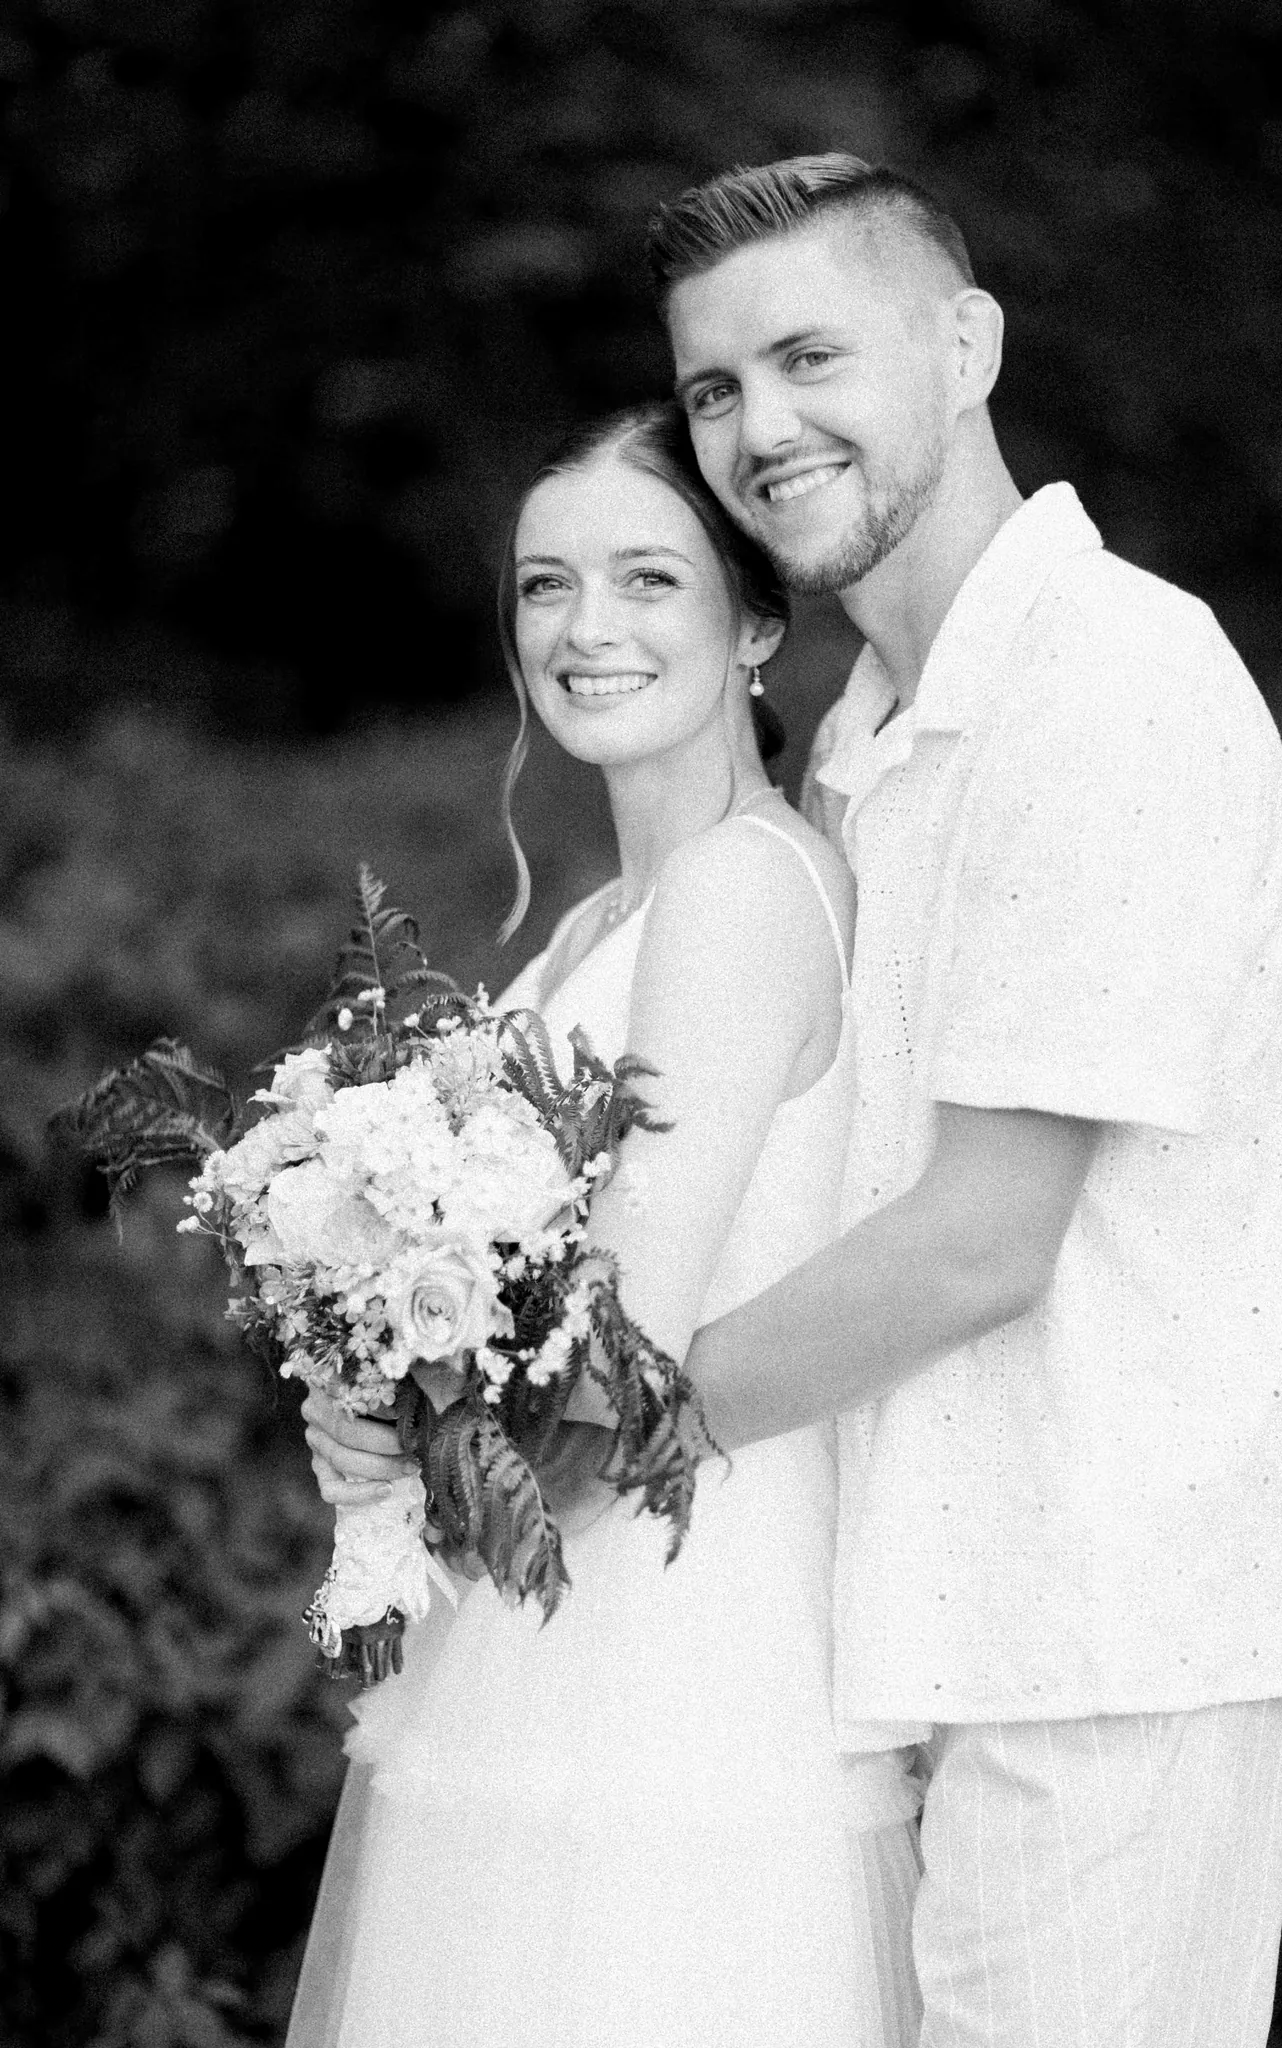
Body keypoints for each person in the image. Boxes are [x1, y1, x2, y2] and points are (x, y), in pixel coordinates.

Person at [644, 154, 1282, 2045]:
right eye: (715, 390)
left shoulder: (1105, 678)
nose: (760, 427)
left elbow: (981, 1242)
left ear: (964, 344)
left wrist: (604, 1421)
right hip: (934, 1613)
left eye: (810, 356)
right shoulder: (868, 749)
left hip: (1108, 1622)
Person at [286, 402, 924, 2048]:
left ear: (760, 622)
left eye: (649, 580)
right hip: (552, 1615)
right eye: (543, 586)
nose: (584, 629)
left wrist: (422, 1453)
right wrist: (374, 1385)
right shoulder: (597, 920)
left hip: (670, 1659)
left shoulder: (739, 892)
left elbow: (614, 1349)